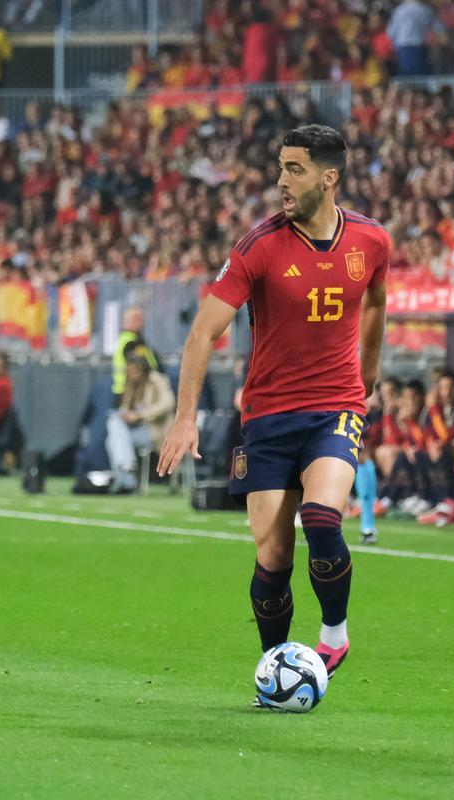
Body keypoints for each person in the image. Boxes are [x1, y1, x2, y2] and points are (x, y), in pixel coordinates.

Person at [157, 125, 391, 690]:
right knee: (274, 557)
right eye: (280, 167)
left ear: (328, 177)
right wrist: (186, 416)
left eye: (295, 169)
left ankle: (333, 633)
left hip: (335, 405)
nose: (281, 181)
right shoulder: (258, 246)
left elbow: (377, 302)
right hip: (267, 415)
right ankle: (277, 664)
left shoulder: (371, 241)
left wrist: (370, 374)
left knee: (323, 516)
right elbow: (202, 334)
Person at [106, 356, 174, 493]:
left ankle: (126, 481)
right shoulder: (130, 385)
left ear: (140, 370)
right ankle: (127, 468)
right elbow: (126, 407)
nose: (128, 374)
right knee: (114, 427)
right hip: (135, 431)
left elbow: (168, 403)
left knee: (113, 437)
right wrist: (126, 415)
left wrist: (140, 415)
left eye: (131, 371)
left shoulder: (157, 381)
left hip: (154, 430)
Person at [112, 307, 158, 405]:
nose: (142, 322)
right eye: (139, 319)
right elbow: (139, 367)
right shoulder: (132, 342)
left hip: (124, 389)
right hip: (133, 390)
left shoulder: (124, 339)